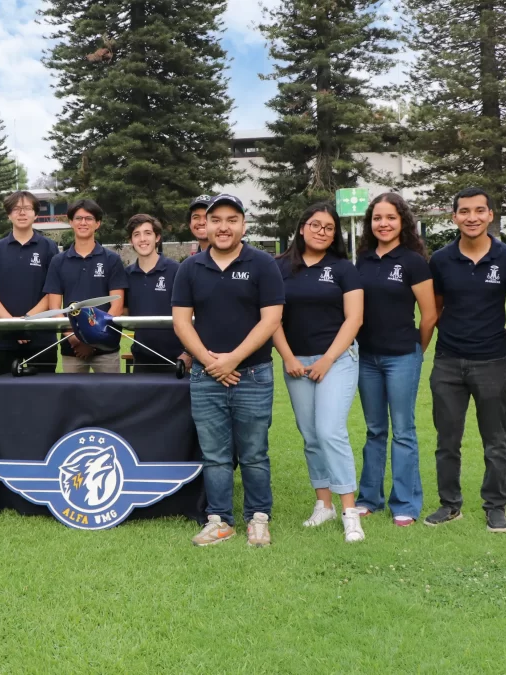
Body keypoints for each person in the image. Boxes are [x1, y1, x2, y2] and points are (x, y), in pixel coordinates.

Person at [172, 194, 284, 547]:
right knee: (215, 455)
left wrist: (232, 359)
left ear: (243, 225)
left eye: (231, 219)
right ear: (207, 224)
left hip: (252, 375)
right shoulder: (191, 268)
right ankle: (219, 520)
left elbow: (271, 319)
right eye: (216, 219)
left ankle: (258, 518)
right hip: (206, 377)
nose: (223, 227)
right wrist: (210, 361)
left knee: (254, 452)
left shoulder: (263, 264)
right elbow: (181, 321)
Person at [426, 187, 506, 532]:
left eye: (479, 210)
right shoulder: (440, 260)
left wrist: (500, 347)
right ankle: (449, 504)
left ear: (490, 215)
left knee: (496, 441)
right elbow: (434, 310)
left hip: (492, 364)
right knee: (446, 440)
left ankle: (495, 506)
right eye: (464, 211)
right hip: (448, 363)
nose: (472, 217)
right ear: (454, 217)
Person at [272, 203, 366, 543]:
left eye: (329, 227)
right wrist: (287, 357)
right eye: (315, 225)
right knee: (311, 435)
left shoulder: (343, 268)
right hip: (295, 361)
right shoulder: (279, 266)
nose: (322, 231)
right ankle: (322, 504)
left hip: (336, 360)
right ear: (302, 228)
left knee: (330, 431)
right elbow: (272, 318)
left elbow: (354, 319)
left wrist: (327, 360)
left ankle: (350, 512)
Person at [353, 194, 437, 526]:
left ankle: (404, 503)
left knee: (403, 431)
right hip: (366, 357)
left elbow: (429, 315)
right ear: (370, 223)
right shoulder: (362, 260)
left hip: (402, 356)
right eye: (377, 218)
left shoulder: (413, 261)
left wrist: (418, 351)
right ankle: (368, 498)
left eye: (390, 217)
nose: (383, 224)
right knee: (374, 430)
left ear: (402, 221)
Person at [43, 199, 127, 373]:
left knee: (111, 399)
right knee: (74, 400)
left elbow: (117, 306)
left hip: (106, 348)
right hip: (72, 348)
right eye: (78, 218)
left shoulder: (112, 260)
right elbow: (54, 308)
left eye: (88, 219)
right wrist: (75, 338)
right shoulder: (58, 262)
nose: (83, 223)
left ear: (97, 224)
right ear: (71, 222)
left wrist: (92, 340)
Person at [0, 191, 60, 375]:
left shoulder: (49, 247)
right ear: (9, 214)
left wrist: (26, 321)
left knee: (45, 395)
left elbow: (53, 292)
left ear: (35, 213)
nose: (22, 213)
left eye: (27, 208)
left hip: (42, 336)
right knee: (6, 395)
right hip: (3, 338)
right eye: (16, 209)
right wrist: (12, 324)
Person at [123, 214, 189, 374]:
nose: (142, 239)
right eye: (136, 234)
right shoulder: (126, 275)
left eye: (147, 233)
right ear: (131, 240)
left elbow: (193, 314)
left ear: (157, 237)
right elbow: (123, 312)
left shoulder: (177, 270)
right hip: (141, 360)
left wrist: (188, 353)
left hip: (177, 359)